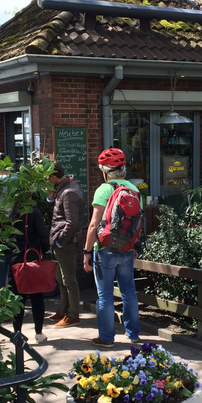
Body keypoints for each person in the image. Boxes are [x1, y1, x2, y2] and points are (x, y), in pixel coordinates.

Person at [82, 148, 141, 348]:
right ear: (123, 170)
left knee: (105, 295)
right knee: (129, 291)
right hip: (127, 248)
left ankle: (106, 338)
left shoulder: (104, 189)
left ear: (105, 172)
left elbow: (93, 224)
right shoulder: (134, 190)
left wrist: (87, 251)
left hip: (105, 248)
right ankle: (133, 334)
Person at [0, 154, 50, 343]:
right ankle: (39, 333)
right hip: (32, 257)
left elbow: (0, 235)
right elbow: (43, 234)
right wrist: (45, 250)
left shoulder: (8, 213)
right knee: (38, 297)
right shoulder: (33, 210)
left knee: (18, 298)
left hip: (16, 259)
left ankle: (17, 333)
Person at [47, 162, 85, 328]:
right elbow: (60, 213)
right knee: (61, 278)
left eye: (46, 179)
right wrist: (50, 197)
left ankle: (73, 314)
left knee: (69, 279)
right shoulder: (64, 188)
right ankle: (63, 310)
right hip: (62, 241)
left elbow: (72, 223)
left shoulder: (69, 192)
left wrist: (60, 241)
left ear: (53, 177)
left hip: (66, 243)